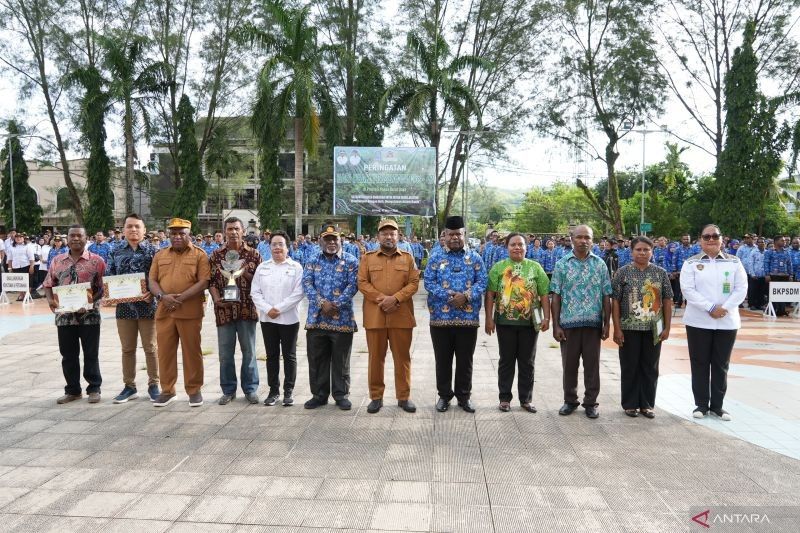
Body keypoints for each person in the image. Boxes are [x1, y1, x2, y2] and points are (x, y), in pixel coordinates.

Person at [680, 224, 747, 421]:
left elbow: (741, 289)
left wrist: (724, 308)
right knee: (700, 363)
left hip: (727, 321)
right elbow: (688, 290)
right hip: (698, 321)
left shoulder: (734, 262)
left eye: (715, 236)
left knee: (721, 364)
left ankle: (718, 406)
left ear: (722, 239)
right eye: (706, 236)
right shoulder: (690, 263)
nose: (711, 239)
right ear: (700, 240)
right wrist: (710, 308)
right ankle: (701, 404)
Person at [424, 216, 487, 413]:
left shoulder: (475, 257)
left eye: (458, 234)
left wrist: (466, 296)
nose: (454, 238)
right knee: (442, 360)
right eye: (451, 234)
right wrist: (450, 295)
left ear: (464, 235)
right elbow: (428, 282)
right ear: (444, 235)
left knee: (465, 360)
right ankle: (444, 396)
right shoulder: (435, 257)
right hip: (440, 319)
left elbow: (483, 281)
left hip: (468, 319)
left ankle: (464, 396)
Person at [358, 218, 420, 414]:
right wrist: (382, 299)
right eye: (384, 233)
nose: (389, 236)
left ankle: (404, 397)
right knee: (376, 358)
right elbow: (362, 282)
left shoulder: (408, 258)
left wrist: (396, 299)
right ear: (378, 237)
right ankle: (376, 397)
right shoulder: (367, 258)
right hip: (375, 316)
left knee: (402, 358)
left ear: (398, 236)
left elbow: (413, 283)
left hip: (401, 315)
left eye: (392, 233)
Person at [148, 218, 211, 407]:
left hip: (189, 311)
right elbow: (152, 281)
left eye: (181, 233)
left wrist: (180, 298)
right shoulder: (160, 255)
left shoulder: (199, 255)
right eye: (173, 233)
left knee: (192, 352)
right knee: (165, 352)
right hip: (164, 311)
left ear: (188, 234)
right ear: (168, 235)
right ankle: (167, 390)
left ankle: (194, 390)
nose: (177, 237)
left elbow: (204, 281)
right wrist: (162, 297)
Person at [551, 225, 612, 419]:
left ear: (592, 241)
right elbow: (556, 296)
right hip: (568, 325)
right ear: (572, 239)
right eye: (579, 237)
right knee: (569, 365)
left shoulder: (600, 264)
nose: (583, 240)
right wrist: (556, 324)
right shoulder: (562, 264)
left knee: (592, 366)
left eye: (587, 237)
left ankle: (591, 402)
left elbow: (606, 296)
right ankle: (570, 401)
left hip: (593, 324)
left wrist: (607, 323)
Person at [485, 232, 550, 413]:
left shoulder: (535, 268)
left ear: (526, 247)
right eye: (513, 244)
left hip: (530, 322)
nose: (517, 247)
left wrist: (547, 317)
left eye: (520, 244)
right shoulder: (499, 268)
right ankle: (504, 398)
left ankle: (526, 399)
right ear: (507, 247)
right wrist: (489, 319)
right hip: (505, 322)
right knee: (506, 360)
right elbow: (490, 294)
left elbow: (544, 293)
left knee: (527, 361)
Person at [43, 225, 106, 404]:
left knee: (91, 353)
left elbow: (103, 288)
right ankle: (72, 390)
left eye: (80, 236)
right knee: (68, 355)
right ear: (67, 239)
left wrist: (90, 302)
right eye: (72, 236)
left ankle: (94, 388)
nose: (76, 239)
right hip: (65, 317)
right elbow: (48, 284)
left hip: (90, 315)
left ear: (87, 239)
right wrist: (50, 301)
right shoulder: (57, 261)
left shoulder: (97, 261)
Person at [611, 236, 673, 418]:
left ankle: (647, 404)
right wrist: (617, 328)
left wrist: (667, 327)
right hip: (628, 328)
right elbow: (615, 301)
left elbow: (667, 300)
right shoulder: (622, 273)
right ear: (631, 252)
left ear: (652, 252)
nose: (642, 253)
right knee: (630, 366)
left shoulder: (660, 273)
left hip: (653, 329)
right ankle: (630, 404)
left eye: (646, 249)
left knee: (650, 367)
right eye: (638, 249)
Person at [302, 224, 359, 410]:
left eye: (335, 239)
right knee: (317, 360)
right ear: (321, 241)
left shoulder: (351, 261)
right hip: (317, 319)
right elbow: (307, 284)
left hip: (341, 318)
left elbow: (353, 286)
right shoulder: (312, 260)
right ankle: (319, 395)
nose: (332, 242)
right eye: (327, 239)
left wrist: (335, 305)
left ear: (340, 240)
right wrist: (322, 304)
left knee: (341, 361)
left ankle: (341, 395)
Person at [107, 213, 161, 403]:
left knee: (151, 348)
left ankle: (154, 384)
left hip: (148, 306)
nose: (133, 230)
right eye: (129, 226)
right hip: (124, 308)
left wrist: (153, 293)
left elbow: (159, 278)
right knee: (127, 349)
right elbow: (109, 276)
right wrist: (110, 295)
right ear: (123, 230)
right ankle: (129, 386)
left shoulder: (154, 252)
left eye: (137, 226)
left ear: (144, 230)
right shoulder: (115, 251)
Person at [209, 217, 262, 405]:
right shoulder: (216, 255)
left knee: (249, 352)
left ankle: (250, 389)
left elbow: (259, 282)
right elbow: (212, 282)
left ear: (243, 231)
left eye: (236, 229)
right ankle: (228, 390)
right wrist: (216, 301)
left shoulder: (254, 254)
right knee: (225, 353)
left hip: (247, 309)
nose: (233, 232)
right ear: (224, 231)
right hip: (224, 310)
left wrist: (241, 270)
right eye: (229, 229)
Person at [251, 230, 304, 407]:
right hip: (268, 320)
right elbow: (255, 292)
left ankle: (288, 391)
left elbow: (298, 293)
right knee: (271, 355)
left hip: (289, 319)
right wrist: (267, 309)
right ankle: (273, 391)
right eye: (274, 244)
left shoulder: (296, 267)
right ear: (270, 247)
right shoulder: (262, 267)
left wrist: (279, 309)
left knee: (289, 356)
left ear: (287, 247)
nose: (277, 248)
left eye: (281, 244)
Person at [763, 235, 793, 316]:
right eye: (782, 241)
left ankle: (781, 310)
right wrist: (767, 274)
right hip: (773, 276)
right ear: (776, 242)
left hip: (784, 276)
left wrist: (790, 275)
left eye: (785, 241)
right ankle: (773, 310)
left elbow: (789, 264)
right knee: (773, 294)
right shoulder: (769, 252)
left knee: (782, 294)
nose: (784, 242)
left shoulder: (786, 252)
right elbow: (766, 263)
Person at [745, 237, 767, 311]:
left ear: (765, 243)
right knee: (753, 290)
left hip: (763, 275)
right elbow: (750, 263)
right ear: (757, 244)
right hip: (754, 275)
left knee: (761, 291)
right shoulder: (753, 252)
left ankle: (760, 304)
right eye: (759, 242)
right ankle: (752, 304)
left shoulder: (766, 252)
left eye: (763, 242)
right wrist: (752, 274)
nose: (761, 243)